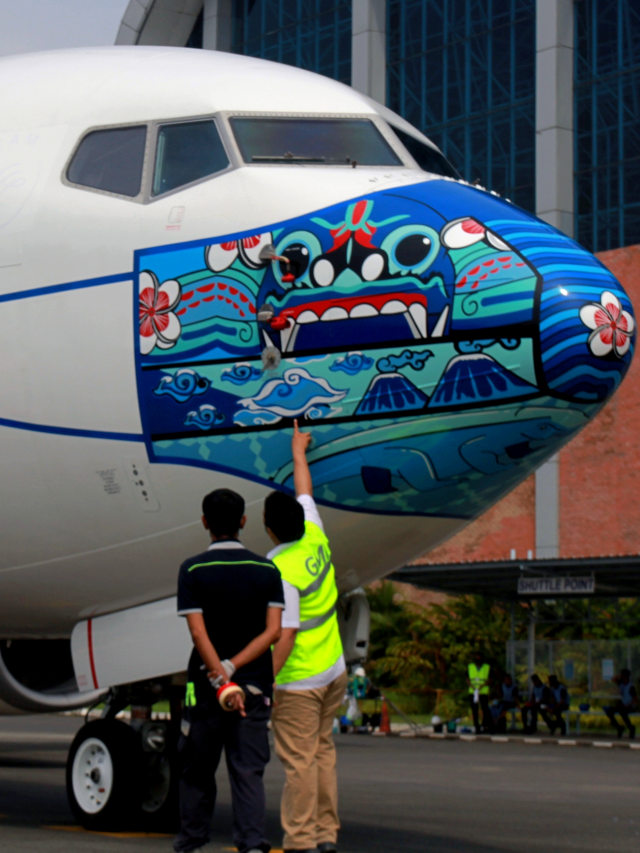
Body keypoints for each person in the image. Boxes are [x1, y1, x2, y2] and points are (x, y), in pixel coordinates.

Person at [174, 488, 284, 853]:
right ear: (243, 522)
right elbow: (273, 632)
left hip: (206, 687)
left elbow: (196, 630)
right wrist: (235, 667)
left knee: (197, 770)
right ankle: (252, 842)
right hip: (253, 686)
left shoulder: (192, 569)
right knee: (248, 770)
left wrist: (220, 675)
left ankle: (191, 840)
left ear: (204, 522)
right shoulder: (267, 570)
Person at [266, 420, 348, 853]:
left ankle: (300, 841)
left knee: (298, 763)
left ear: (268, 530)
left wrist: (267, 681)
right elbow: (305, 493)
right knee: (322, 753)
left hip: (300, 680)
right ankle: (326, 833)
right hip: (334, 667)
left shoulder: (279, 570)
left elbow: (286, 634)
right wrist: (299, 452)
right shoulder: (315, 535)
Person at [604, 668, 638, 739]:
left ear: (626, 677)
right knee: (609, 711)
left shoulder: (631, 687)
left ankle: (631, 728)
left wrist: (628, 705)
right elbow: (613, 679)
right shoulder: (621, 684)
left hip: (630, 707)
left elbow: (635, 699)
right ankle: (619, 727)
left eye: (622, 676)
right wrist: (619, 676)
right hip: (623, 706)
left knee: (623, 712)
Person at [467, 651, 493, 733]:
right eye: (476, 657)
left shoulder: (487, 667)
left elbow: (490, 679)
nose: (478, 659)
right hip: (473, 692)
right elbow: (467, 679)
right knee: (474, 710)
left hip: (483, 692)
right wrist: (473, 687)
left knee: (485, 709)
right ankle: (476, 727)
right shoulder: (470, 667)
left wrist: (482, 686)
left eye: (479, 658)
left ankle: (485, 725)